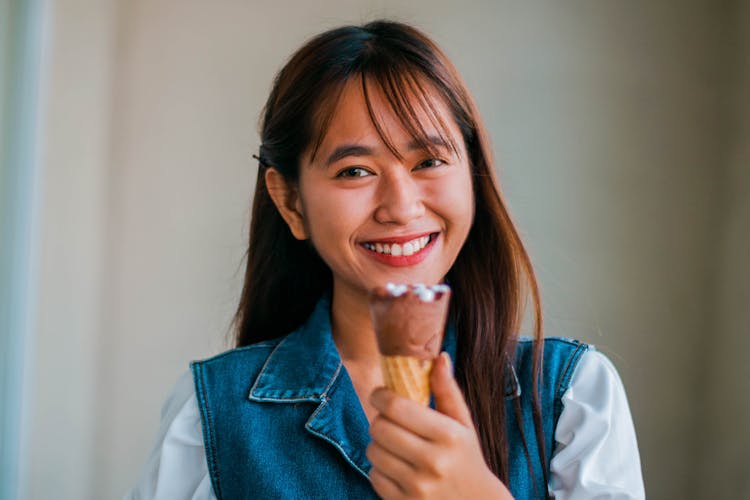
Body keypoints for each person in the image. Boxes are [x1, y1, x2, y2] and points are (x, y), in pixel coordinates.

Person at [127, 19, 644, 499]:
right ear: (290, 202)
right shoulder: (210, 416)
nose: (401, 207)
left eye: (429, 161)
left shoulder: (571, 397)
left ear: (473, 175)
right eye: (355, 171)